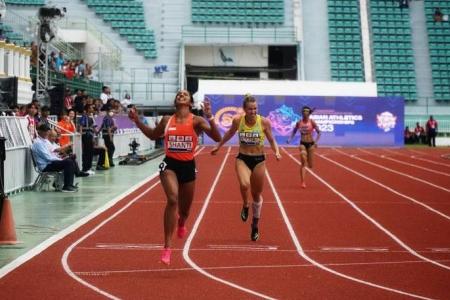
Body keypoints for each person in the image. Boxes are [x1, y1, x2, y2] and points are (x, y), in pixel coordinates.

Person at [129, 90, 221, 265]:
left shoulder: (197, 121)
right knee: (172, 199)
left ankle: (181, 222)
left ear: (190, 103)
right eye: (179, 94)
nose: (181, 95)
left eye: (185, 94)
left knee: (185, 211)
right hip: (169, 165)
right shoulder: (166, 120)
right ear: (175, 101)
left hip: (188, 167)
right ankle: (167, 247)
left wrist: (210, 116)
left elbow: (217, 137)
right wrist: (137, 121)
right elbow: (152, 135)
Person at [211, 94, 281, 242]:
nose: (253, 111)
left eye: (255, 108)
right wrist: (218, 145)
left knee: (256, 195)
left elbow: (272, 139)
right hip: (243, 158)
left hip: (259, 160)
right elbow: (229, 134)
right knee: (244, 184)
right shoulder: (238, 121)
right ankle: (245, 204)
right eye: (250, 109)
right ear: (244, 109)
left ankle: (255, 225)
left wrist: (277, 151)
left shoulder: (264, 122)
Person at [31, 124, 78, 192]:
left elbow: (54, 151)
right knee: (68, 162)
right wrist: (61, 160)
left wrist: (63, 157)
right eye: (45, 131)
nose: (47, 133)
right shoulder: (38, 143)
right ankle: (67, 186)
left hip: (50, 163)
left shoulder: (45, 141)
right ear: (39, 131)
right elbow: (48, 157)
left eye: (47, 131)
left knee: (70, 160)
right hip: (45, 166)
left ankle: (69, 184)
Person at [286, 106, 321, 189]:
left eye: (307, 111)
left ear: (309, 113)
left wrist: (316, 142)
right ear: (302, 113)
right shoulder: (299, 122)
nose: (305, 113)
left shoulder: (312, 122)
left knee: (311, 165)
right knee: (303, 160)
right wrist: (290, 139)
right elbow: (294, 131)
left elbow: (319, 132)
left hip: (311, 144)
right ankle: (303, 182)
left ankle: (307, 163)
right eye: (304, 111)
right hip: (302, 143)